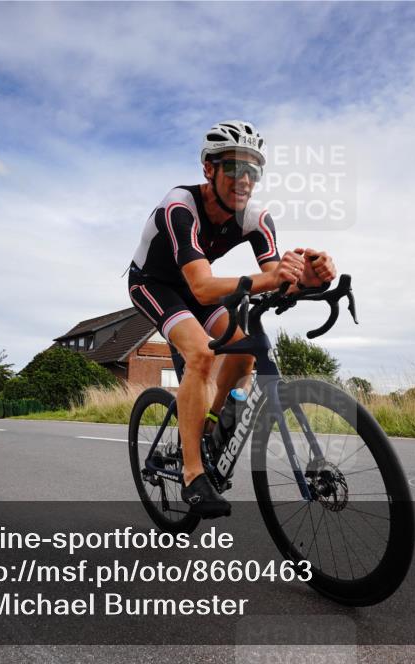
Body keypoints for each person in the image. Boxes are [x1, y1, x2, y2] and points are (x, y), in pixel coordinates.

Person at [128, 120, 337, 518]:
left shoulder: (255, 218)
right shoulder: (179, 208)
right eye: (234, 168)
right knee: (202, 355)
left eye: (253, 171)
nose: (245, 179)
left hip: (200, 288)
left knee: (244, 356)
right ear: (209, 169)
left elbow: (276, 279)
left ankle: (209, 426)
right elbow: (204, 288)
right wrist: (273, 278)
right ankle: (192, 474)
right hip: (156, 284)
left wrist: (308, 278)